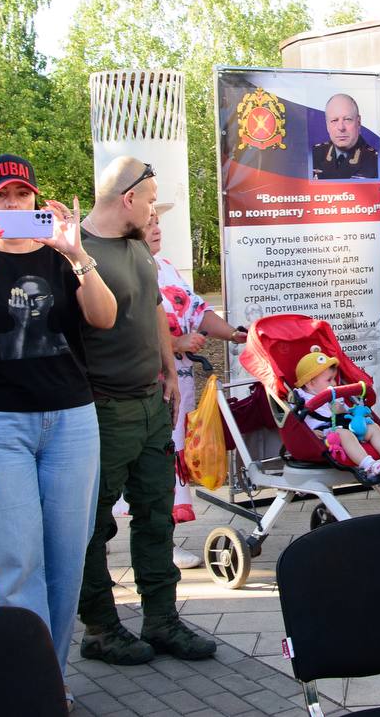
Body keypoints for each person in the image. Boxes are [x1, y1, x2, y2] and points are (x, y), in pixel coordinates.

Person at [0, 154, 116, 690]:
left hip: (71, 420)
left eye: (23, 195)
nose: (14, 205)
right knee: (16, 561)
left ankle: (51, 679)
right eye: (2, 197)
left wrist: (79, 254)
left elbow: (104, 317)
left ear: (38, 201)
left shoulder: (62, 256)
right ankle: (26, 687)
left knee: (67, 559)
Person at [76, 156, 217, 665]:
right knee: (93, 526)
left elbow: (155, 307)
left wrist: (166, 368)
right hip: (103, 411)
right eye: (151, 198)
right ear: (127, 197)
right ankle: (100, 628)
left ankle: (161, 621)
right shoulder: (77, 252)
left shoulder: (137, 246)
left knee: (157, 515)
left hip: (151, 404)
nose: (155, 210)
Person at [144, 204, 245, 567]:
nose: (157, 229)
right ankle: (145, 546)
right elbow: (120, 329)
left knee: (169, 459)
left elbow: (198, 313)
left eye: (158, 222)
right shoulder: (123, 268)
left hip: (177, 388)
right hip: (141, 388)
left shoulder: (166, 268)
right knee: (147, 466)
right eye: (148, 222)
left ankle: (161, 543)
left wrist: (235, 334)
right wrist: (174, 344)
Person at [292, 349, 380, 480]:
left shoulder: (334, 394)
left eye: (334, 379)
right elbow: (296, 422)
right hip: (325, 435)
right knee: (344, 433)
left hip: (346, 427)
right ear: (311, 383)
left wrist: (343, 411)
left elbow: (347, 414)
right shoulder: (301, 398)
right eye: (329, 380)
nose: (334, 383)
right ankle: (370, 466)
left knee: (372, 427)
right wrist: (309, 433)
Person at [311, 94, 380, 179]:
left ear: (358, 122)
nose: (341, 128)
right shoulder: (313, 155)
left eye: (347, 119)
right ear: (327, 125)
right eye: (334, 120)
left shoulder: (377, 162)